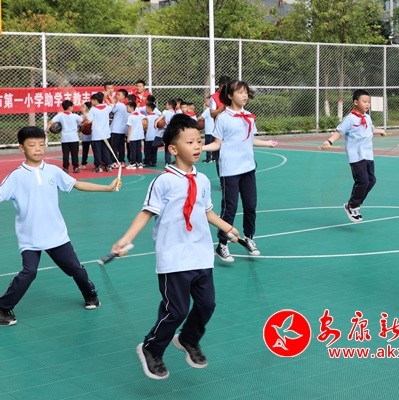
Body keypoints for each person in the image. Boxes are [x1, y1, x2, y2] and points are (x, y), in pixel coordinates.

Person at [0, 126, 121, 326]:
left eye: (41, 144)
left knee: (75, 268)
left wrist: (108, 188)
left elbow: (78, 184)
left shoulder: (53, 170)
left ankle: (90, 294)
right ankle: (0, 310)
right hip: (30, 237)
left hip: (56, 234)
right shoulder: (16, 176)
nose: (38, 149)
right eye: (32, 145)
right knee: (29, 273)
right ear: (22, 148)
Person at [110, 114, 240, 380]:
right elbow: (147, 212)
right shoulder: (164, 181)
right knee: (176, 310)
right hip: (174, 257)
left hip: (201, 254)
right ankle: (151, 347)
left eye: (199, 141)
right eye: (189, 142)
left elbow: (206, 211)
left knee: (207, 305)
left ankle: (188, 339)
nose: (197, 146)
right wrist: (126, 238)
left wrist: (226, 227)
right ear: (173, 149)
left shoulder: (202, 181)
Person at [202, 80, 277, 262]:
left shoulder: (249, 116)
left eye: (246, 92)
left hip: (248, 169)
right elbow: (217, 144)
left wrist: (267, 143)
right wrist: (200, 148)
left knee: (250, 206)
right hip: (230, 170)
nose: (245, 95)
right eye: (240, 92)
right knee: (230, 208)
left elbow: (250, 139)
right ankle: (222, 244)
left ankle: (249, 238)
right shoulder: (223, 118)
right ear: (230, 95)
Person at [320, 89, 386, 222]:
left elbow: (370, 129)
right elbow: (339, 131)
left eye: (369, 102)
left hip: (368, 155)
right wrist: (329, 141)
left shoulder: (367, 117)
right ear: (356, 102)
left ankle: (355, 204)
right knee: (363, 181)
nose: (367, 104)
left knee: (371, 181)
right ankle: (352, 205)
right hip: (356, 157)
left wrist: (381, 131)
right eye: (364, 101)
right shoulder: (349, 119)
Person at [47, 100, 82, 173]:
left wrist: (46, 131)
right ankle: (75, 167)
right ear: (70, 107)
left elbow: (51, 122)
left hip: (64, 138)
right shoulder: (75, 116)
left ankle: (66, 168)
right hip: (74, 138)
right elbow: (82, 121)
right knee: (74, 153)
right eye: (72, 106)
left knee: (65, 154)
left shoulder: (59, 116)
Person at [83, 92, 113, 173]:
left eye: (92, 100)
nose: (91, 102)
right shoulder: (107, 108)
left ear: (96, 100)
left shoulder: (93, 110)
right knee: (106, 150)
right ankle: (108, 165)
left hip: (96, 134)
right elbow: (112, 105)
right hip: (106, 133)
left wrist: (82, 124)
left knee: (97, 151)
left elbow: (88, 121)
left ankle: (98, 166)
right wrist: (106, 98)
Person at [154, 99, 177, 166]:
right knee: (167, 149)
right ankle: (168, 163)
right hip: (170, 132)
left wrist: (156, 122)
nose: (166, 105)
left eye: (166, 104)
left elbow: (161, 117)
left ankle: (163, 142)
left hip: (162, 132)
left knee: (155, 144)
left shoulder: (165, 111)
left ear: (170, 105)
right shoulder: (174, 114)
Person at [110, 88, 129, 167]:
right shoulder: (127, 106)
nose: (117, 96)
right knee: (121, 146)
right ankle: (121, 161)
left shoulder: (119, 105)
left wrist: (109, 98)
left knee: (114, 146)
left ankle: (115, 161)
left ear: (124, 96)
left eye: (119, 95)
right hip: (123, 129)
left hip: (116, 129)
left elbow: (111, 109)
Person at [126, 101, 144, 169]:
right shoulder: (140, 115)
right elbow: (145, 118)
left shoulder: (131, 117)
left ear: (131, 108)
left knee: (133, 150)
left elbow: (129, 127)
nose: (127, 109)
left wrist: (128, 137)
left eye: (127, 107)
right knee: (138, 150)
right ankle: (139, 163)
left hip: (133, 136)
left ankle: (133, 163)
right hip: (139, 135)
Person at [143, 102, 160, 167]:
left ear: (149, 108)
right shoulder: (158, 117)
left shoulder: (146, 117)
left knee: (148, 150)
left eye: (146, 108)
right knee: (154, 150)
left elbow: (144, 127)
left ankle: (147, 161)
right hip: (156, 136)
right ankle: (153, 162)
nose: (145, 109)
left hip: (149, 136)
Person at [201, 97, 216, 163]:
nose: (205, 103)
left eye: (206, 101)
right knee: (214, 144)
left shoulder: (208, 110)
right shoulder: (215, 109)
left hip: (209, 131)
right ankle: (214, 157)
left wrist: (194, 120)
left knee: (208, 145)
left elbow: (201, 118)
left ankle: (208, 158)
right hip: (214, 131)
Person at [80, 101, 92, 170]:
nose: (82, 108)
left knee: (96, 150)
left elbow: (85, 121)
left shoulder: (91, 115)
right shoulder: (82, 116)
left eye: (83, 107)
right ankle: (83, 163)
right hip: (85, 136)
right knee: (85, 151)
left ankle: (99, 163)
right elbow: (81, 122)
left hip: (93, 136)